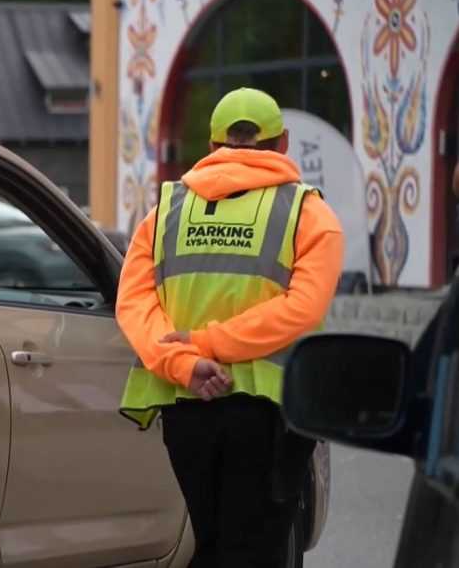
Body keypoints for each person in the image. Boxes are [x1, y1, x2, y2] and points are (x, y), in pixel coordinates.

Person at [116, 88, 344, 568]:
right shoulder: (309, 214)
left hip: (187, 406)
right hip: (269, 415)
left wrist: (187, 359)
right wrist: (212, 343)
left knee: (212, 543)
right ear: (282, 143)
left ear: (213, 143)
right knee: (255, 550)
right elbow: (303, 308)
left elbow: (134, 303)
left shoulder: (164, 213)